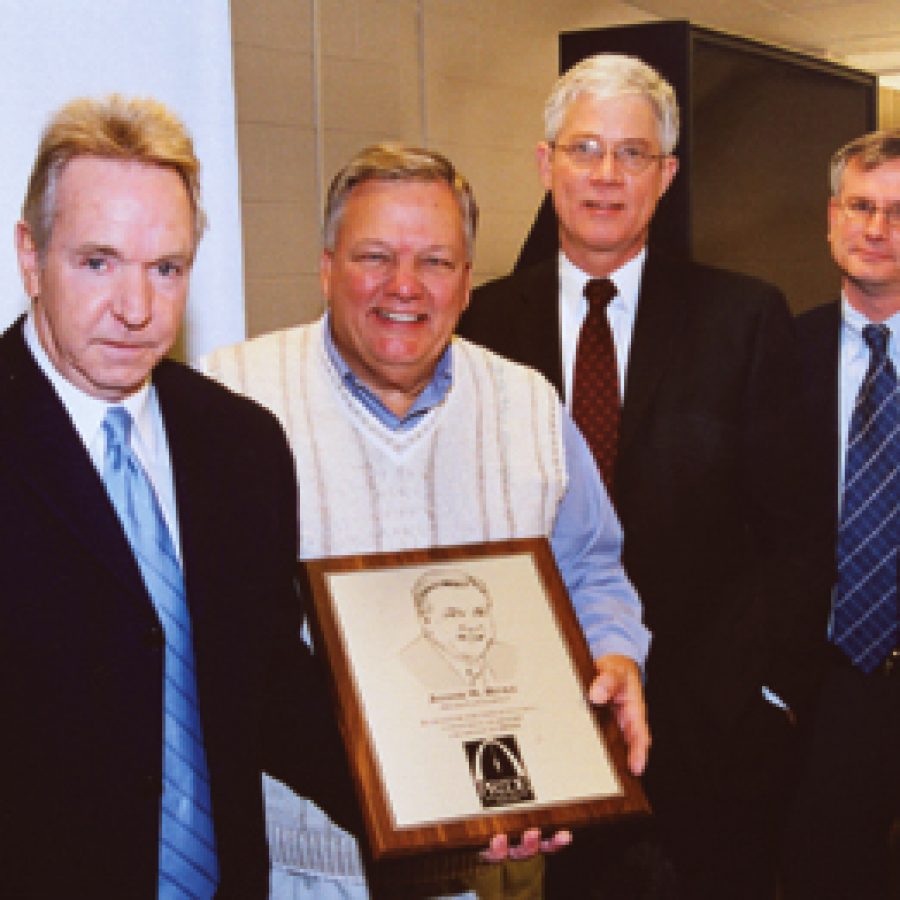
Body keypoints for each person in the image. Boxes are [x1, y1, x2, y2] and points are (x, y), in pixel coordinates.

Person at [202, 141, 651, 900]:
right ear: (326, 266)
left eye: (436, 262)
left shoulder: (531, 404)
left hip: (499, 861)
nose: (404, 286)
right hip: (305, 867)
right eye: (374, 256)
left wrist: (615, 656)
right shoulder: (227, 403)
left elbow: (591, 567)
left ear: (468, 282)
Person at [457, 53, 826, 899]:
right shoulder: (480, 327)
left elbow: (798, 534)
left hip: (716, 735)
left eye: (632, 154)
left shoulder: (745, 317)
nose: (606, 175)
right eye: (585, 150)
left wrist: (770, 696)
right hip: (540, 720)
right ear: (546, 164)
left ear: (666, 176)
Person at [0, 94, 362, 898]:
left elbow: (268, 685)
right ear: (31, 257)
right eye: (98, 262)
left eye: (166, 268)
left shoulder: (241, 446)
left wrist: (431, 798)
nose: (136, 309)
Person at [782, 130, 899, 900]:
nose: (878, 229)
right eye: (861, 206)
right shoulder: (779, 353)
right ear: (832, 219)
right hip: (828, 686)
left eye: (899, 212)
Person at [400, 568, 517, 694]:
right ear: (426, 621)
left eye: (479, 612)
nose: (472, 625)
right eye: (454, 615)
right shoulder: (404, 668)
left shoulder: (511, 657)